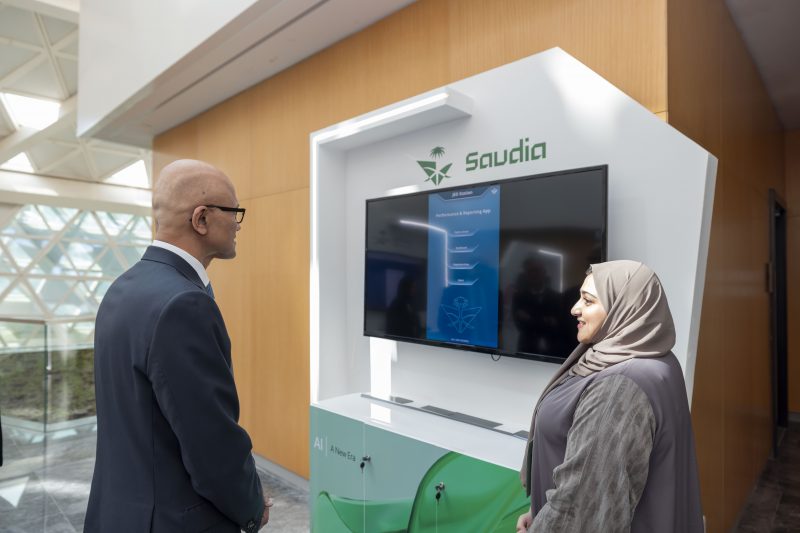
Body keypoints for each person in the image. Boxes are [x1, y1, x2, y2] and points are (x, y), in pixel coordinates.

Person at [85, 160, 272, 532]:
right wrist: (252, 508)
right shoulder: (184, 304)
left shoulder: (122, 288)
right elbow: (212, 445)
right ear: (201, 219)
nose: (238, 224)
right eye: (234, 212)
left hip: (119, 512)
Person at [516, 260, 703, 532]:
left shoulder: (619, 388)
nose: (574, 308)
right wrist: (539, 514)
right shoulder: (658, 359)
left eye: (588, 301)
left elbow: (582, 512)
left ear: (623, 308)